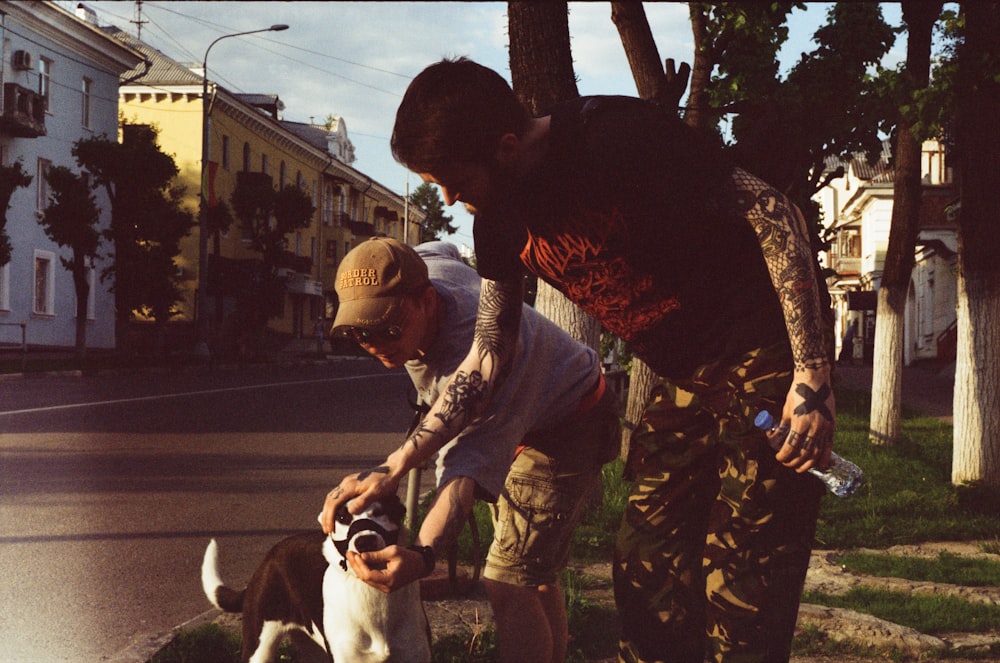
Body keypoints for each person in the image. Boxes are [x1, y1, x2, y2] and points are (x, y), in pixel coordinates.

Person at [326, 57, 837, 662]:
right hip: (686, 380)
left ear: (507, 147)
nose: (449, 198)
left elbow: (772, 213)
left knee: (743, 586)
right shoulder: (498, 224)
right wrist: (400, 462)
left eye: (454, 180)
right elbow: (489, 353)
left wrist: (811, 377)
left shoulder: (613, 136)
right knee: (646, 569)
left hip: (765, 357)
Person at [321, 237, 619, 663]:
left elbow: (462, 475)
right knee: (533, 569)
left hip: (569, 427)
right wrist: (396, 464)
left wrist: (421, 557)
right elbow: (441, 249)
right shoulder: (426, 271)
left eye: (388, 328)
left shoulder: (483, 360)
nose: (376, 343)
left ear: (426, 301)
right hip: (534, 416)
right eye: (359, 331)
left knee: (509, 578)